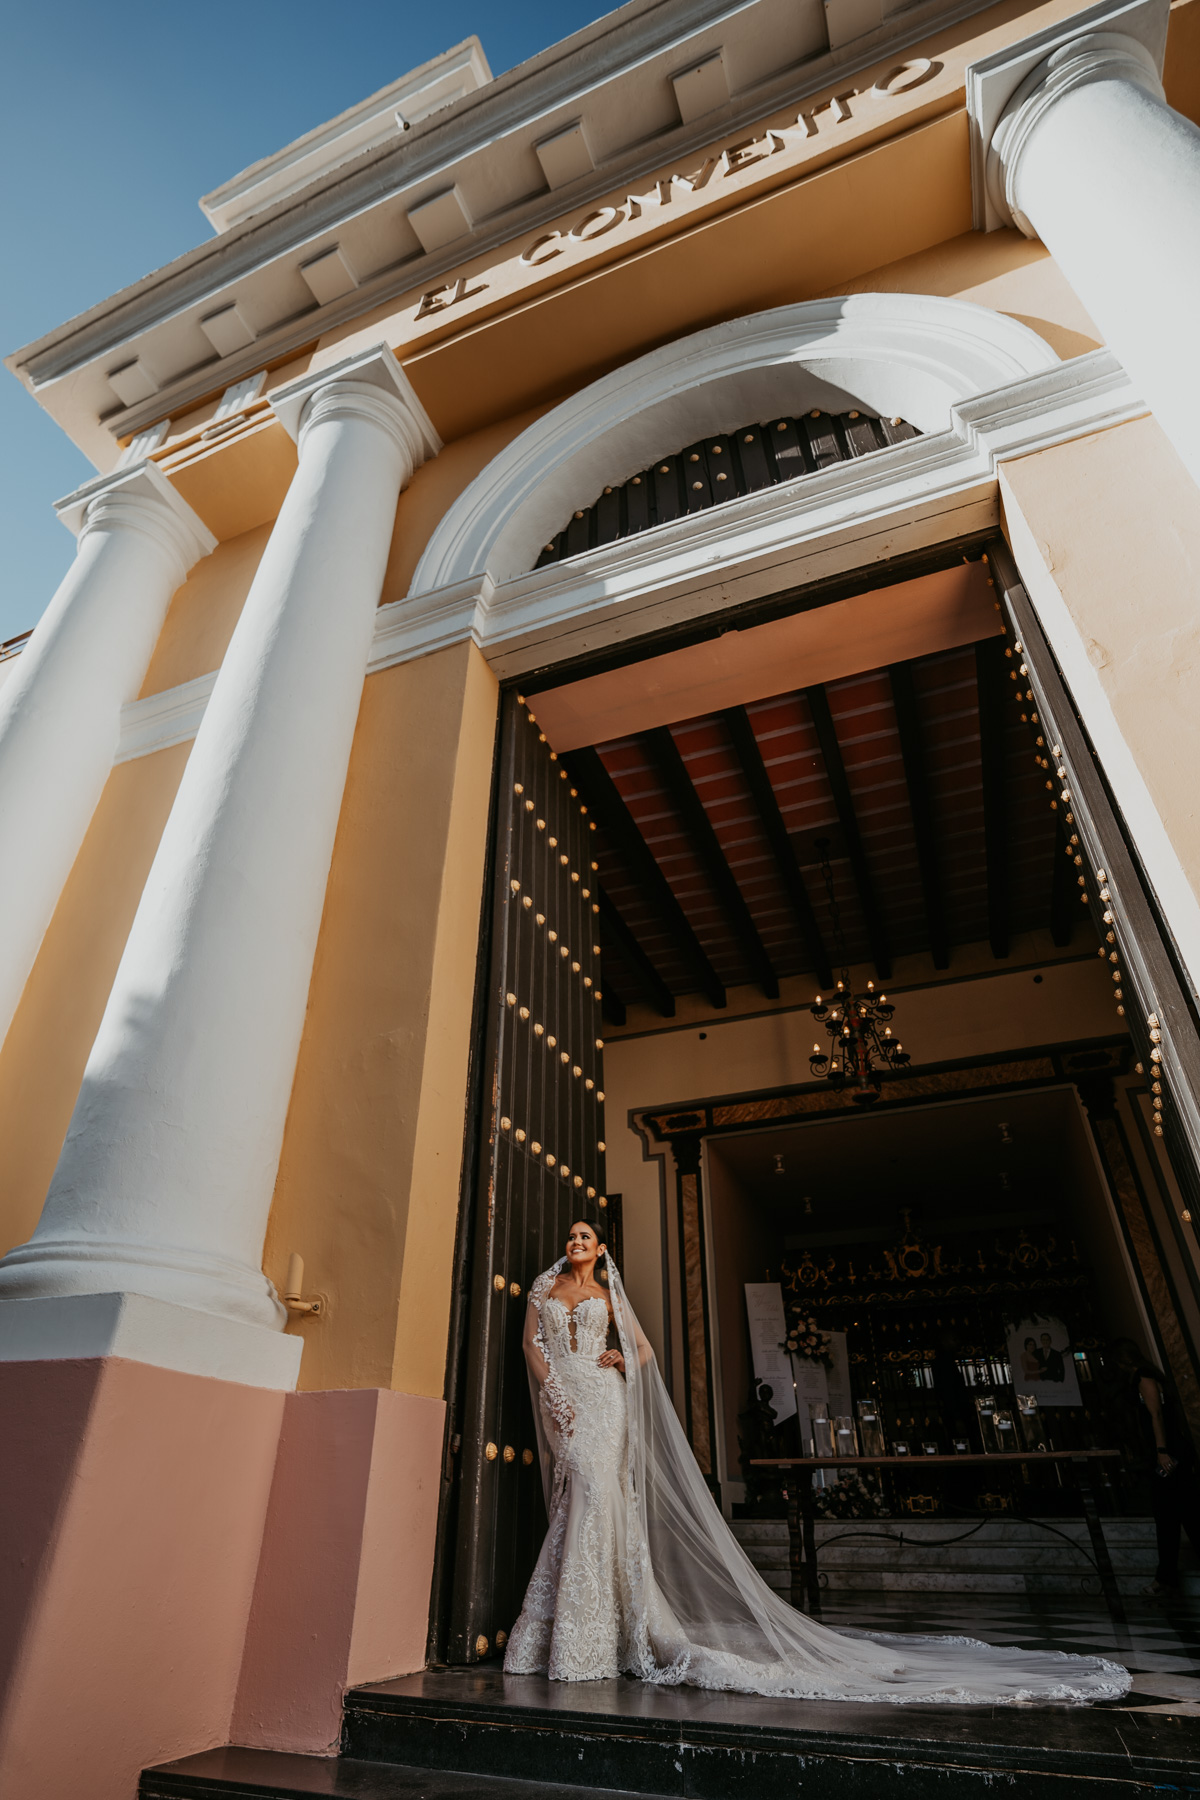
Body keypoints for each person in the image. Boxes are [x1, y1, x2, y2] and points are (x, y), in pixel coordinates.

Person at [504, 1219, 1128, 1702]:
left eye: (587, 1235)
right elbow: (531, 1343)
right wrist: (556, 1395)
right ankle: (572, 1630)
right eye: (572, 1235)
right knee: (583, 1499)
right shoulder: (545, 1287)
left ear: (603, 1249)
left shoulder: (610, 1298)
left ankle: (589, 1640)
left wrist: (616, 1361)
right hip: (570, 1398)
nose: (576, 1240)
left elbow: (641, 1352)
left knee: (598, 1500)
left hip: (605, 1401)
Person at [1111, 1337, 1200, 1595]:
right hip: (1172, 1453)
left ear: (1124, 1360)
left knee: (1176, 1513)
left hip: (1168, 1455)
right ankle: (1166, 1578)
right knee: (1178, 1513)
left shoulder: (1144, 1376)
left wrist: (1161, 1451)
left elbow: (1155, 1414)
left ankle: (1166, 1579)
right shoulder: (1146, 1374)